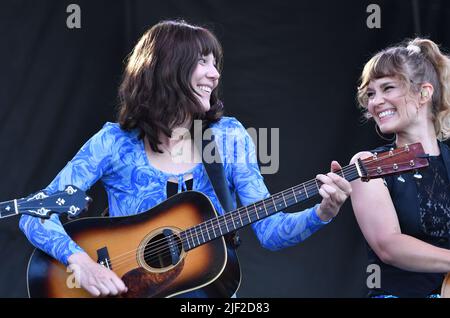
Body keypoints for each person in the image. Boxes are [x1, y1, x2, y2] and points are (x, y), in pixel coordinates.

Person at [20, 20, 351, 297]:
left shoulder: (228, 138)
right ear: (167, 68)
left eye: (215, 63)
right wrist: (82, 262)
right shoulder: (113, 142)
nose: (215, 74)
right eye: (203, 62)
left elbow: (270, 231)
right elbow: (34, 213)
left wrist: (322, 211)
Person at [350, 38, 450, 298]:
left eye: (388, 88)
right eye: (371, 93)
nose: (376, 101)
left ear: (424, 93)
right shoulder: (367, 164)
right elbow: (389, 245)